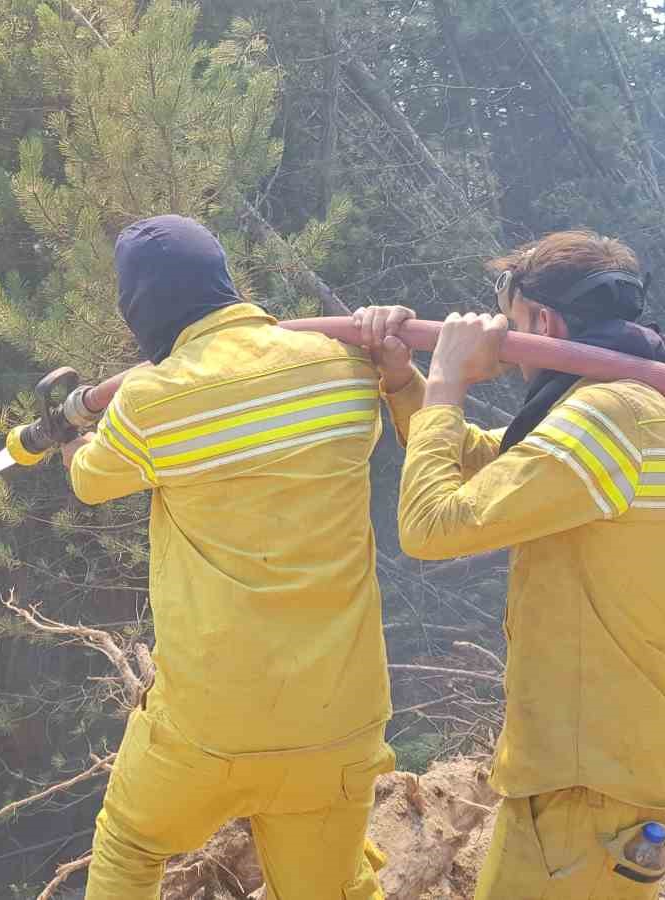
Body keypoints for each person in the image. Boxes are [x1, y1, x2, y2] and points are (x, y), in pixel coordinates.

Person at [355, 230, 665, 898]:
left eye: (514, 328)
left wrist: (451, 381)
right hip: (598, 766)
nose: (512, 352)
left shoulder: (609, 413)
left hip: (585, 782)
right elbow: (499, 472)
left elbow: (432, 526)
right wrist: (406, 382)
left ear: (543, 322)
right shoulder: (622, 403)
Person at [60, 214, 395, 899]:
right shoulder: (343, 368)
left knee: (129, 845)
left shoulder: (151, 402)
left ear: (140, 312)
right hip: (338, 724)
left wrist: (69, 424)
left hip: (209, 729)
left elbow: (89, 479)